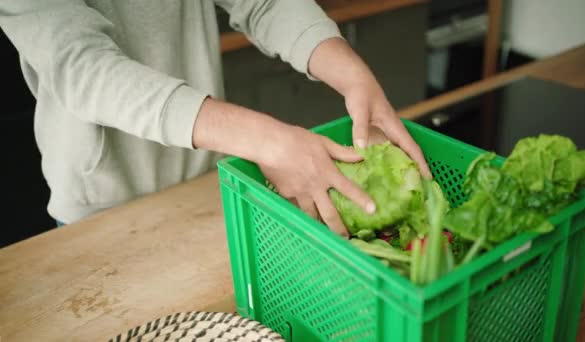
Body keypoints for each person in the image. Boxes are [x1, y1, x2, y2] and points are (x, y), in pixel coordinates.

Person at [0, 0, 430, 236]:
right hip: (103, 207)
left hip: (203, 180)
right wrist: (265, 139)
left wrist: (351, 72)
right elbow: (84, 69)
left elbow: (264, 3)